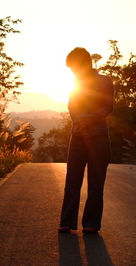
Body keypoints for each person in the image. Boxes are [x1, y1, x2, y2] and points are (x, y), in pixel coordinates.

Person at [58, 47, 114, 234]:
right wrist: (79, 121)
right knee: (72, 181)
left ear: (84, 64)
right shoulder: (74, 83)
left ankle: (91, 224)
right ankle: (67, 222)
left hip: (98, 138)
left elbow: (107, 107)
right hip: (78, 137)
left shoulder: (105, 81)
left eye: (74, 67)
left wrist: (87, 120)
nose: (72, 71)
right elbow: (72, 106)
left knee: (96, 184)